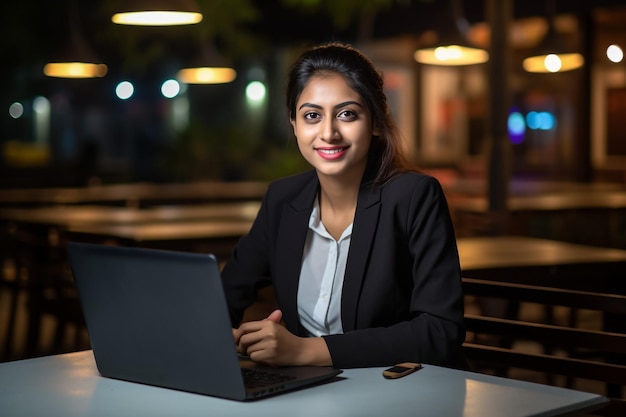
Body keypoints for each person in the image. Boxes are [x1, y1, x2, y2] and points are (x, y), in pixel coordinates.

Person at [223, 41, 466, 370]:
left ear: (376, 123)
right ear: (294, 125)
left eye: (347, 114)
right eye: (312, 115)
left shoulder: (414, 197)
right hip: (306, 391)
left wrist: (307, 351)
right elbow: (224, 298)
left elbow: (440, 331)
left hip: (395, 391)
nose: (328, 132)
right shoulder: (282, 200)